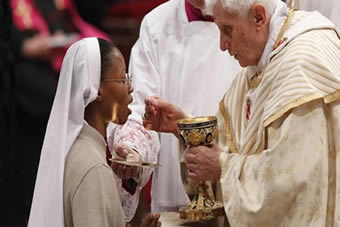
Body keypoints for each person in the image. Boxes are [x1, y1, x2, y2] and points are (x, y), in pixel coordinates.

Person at [142, 0, 340, 226]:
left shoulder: (302, 66)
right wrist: (186, 129)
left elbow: (293, 182)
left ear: (258, 17)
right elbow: (232, 146)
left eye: (227, 29)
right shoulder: (262, 63)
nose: (222, 45)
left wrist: (223, 168)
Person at [107, 0, 240, 222]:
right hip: (176, 192)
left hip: (239, 193)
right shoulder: (157, 24)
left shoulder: (252, 13)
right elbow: (141, 108)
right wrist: (133, 149)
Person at [28, 37, 161, 227]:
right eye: (123, 79)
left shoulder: (75, 149)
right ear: (97, 90)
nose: (131, 87)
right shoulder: (93, 168)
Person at [9, 0, 110, 225]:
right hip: (19, 73)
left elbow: (62, 20)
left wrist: (57, 37)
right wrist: (22, 46)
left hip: (48, 64)